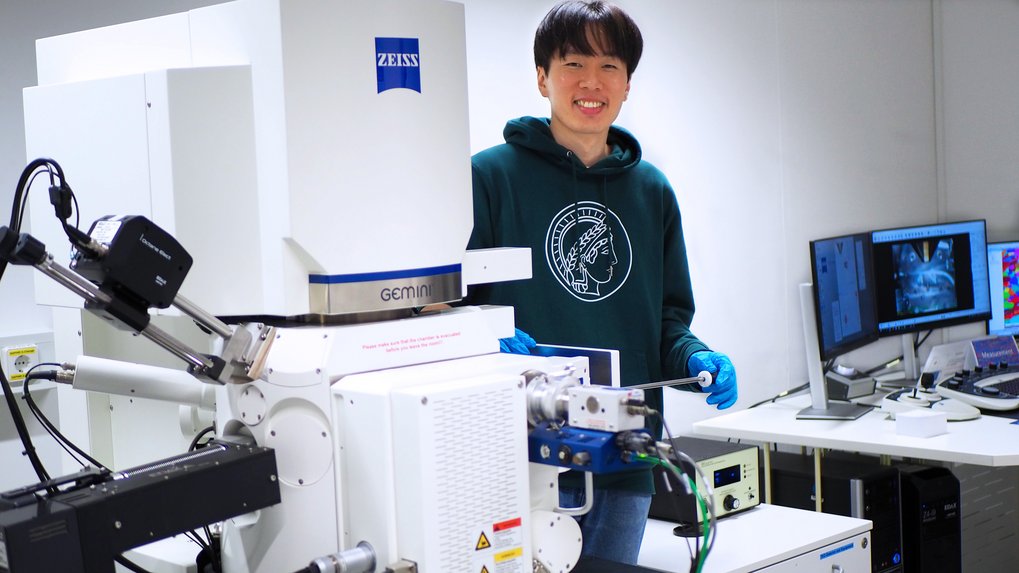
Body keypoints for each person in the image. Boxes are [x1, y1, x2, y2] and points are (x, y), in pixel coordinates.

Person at [464, 0, 738, 565]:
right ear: (542, 77)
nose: (592, 82)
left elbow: (666, 319)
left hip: (624, 455)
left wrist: (694, 356)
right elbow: (440, 309)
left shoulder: (652, 191)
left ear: (628, 83)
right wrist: (487, 340)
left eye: (610, 66)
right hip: (521, 454)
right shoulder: (488, 178)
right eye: (573, 64)